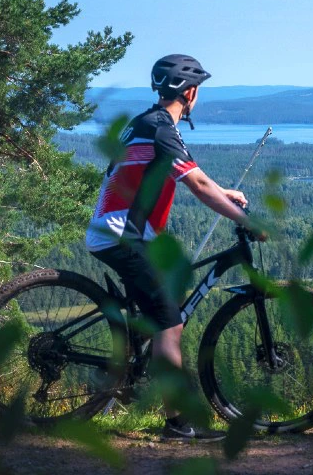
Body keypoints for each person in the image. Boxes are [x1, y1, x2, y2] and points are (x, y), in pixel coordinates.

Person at [86, 54, 261, 440]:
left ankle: (128, 360)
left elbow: (191, 174)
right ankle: (178, 423)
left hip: (117, 233)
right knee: (172, 324)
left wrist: (226, 193)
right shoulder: (163, 129)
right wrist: (246, 221)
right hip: (123, 236)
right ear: (191, 92)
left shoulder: (148, 122)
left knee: (166, 297)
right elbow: (197, 186)